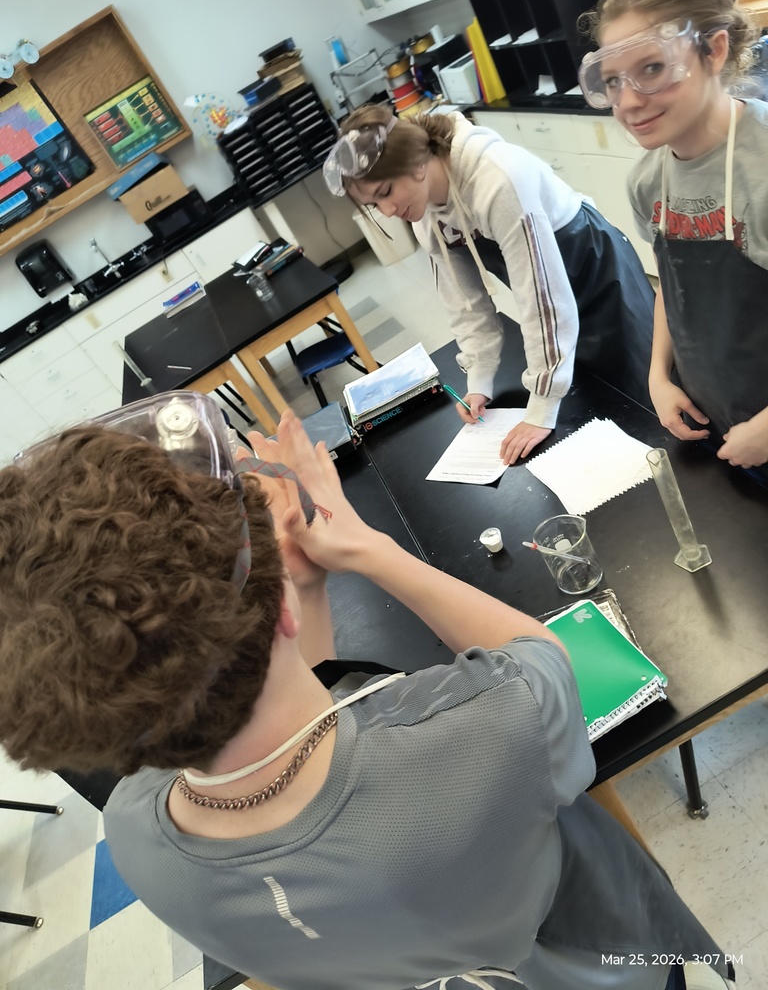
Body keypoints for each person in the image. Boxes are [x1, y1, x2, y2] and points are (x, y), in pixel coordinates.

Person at [0, 391, 735, 990]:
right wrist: (365, 548)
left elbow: (286, 714)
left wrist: (308, 586)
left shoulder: (135, 836)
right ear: (276, 612)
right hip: (596, 964)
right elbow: (538, 659)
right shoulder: (479, 730)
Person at [322, 103, 655, 464]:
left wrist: (541, 406)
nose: (387, 211)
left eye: (386, 192)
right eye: (374, 204)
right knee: (597, 405)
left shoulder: (496, 180)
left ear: (416, 162)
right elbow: (466, 307)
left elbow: (540, 300)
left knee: (648, 394)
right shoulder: (426, 220)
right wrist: (479, 381)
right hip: (552, 295)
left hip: (599, 273)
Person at [578, 0, 768, 480]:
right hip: (716, 418)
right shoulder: (648, 180)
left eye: (653, 69)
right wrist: (659, 375)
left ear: (715, 51)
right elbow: (672, 284)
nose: (629, 101)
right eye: (613, 81)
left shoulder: (763, 168)